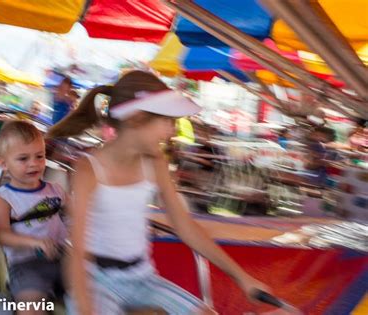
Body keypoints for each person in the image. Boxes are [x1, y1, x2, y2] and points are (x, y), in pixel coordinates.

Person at [47, 71, 270, 315]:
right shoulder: (89, 168)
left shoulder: (156, 163)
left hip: (142, 278)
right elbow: (76, 251)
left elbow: (185, 226)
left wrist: (242, 277)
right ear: (136, 118)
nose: (172, 131)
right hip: (95, 280)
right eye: (167, 121)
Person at [0, 120, 68, 315]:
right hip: (26, 266)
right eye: (23, 159)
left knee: (98, 293)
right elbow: (2, 235)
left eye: (39, 156)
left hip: (64, 260)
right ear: (4, 164)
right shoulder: (3, 198)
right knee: (30, 308)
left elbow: (80, 217)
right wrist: (36, 242)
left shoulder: (55, 190)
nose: (34, 164)